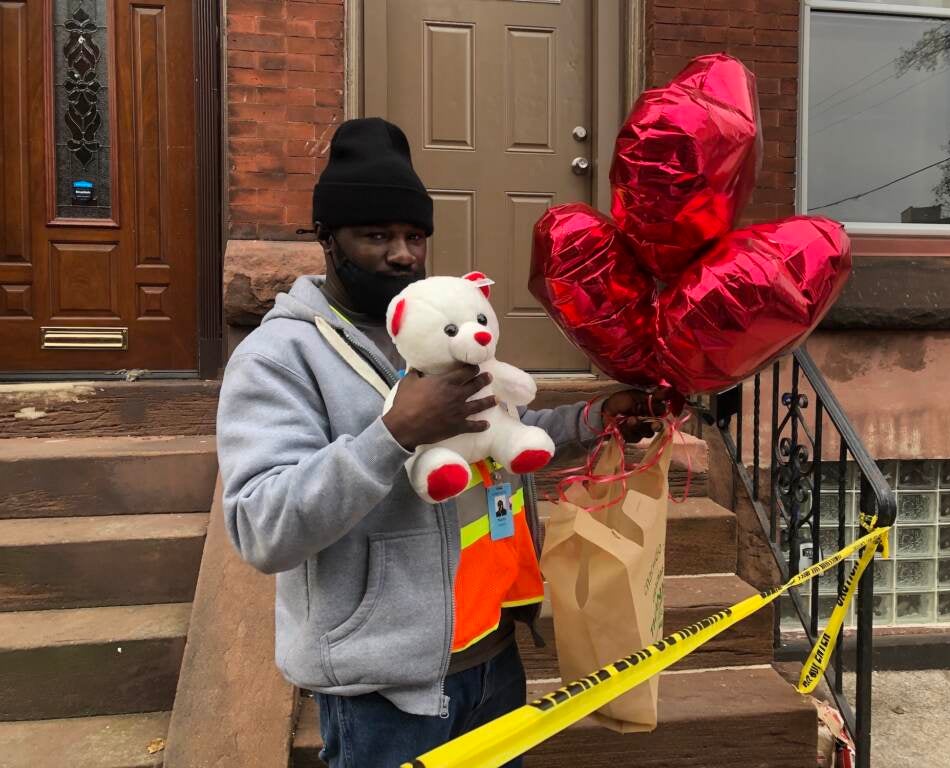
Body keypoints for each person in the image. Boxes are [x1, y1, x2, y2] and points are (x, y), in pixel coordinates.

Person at [216, 118, 663, 768]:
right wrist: (395, 433)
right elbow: (262, 527)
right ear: (325, 237)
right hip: (385, 692)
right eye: (376, 236)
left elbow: (496, 440)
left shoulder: (443, 329)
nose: (402, 254)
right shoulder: (280, 358)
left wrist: (598, 420)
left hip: (493, 654)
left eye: (414, 237)